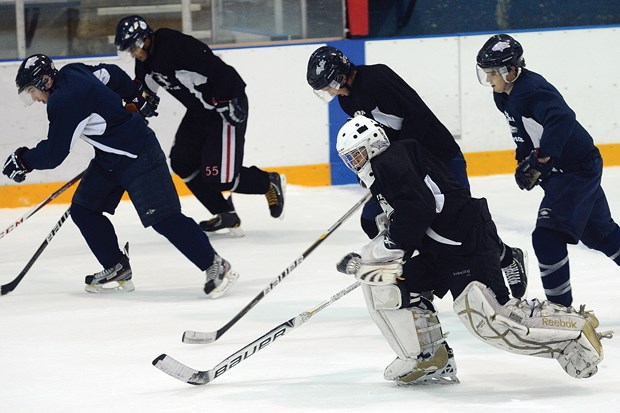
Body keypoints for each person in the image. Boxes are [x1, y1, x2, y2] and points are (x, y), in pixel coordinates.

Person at [334, 115, 609, 385]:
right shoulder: (392, 164)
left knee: (494, 319)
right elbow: (410, 210)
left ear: (373, 144)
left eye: (356, 154)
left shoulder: (389, 160)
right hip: (442, 248)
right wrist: (383, 245)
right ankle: (428, 357)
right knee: (396, 288)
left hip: (464, 242)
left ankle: (575, 330)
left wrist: (391, 247)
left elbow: (419, 208)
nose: (354, 163)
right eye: (350, 158)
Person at [2, 54, 239, 298]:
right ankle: (116, 267)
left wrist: (23, 160)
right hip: (111, 159)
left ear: (45, 81)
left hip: (138, 154)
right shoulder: (74, 71)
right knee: (84, 210)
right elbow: (111, 73)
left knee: (164, 219)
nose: (34, 99)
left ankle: (214, 264)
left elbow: (54, 153)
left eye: (32, 91)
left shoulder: (63, 101)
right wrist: (135, 97)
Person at [306, 45, 528, 298]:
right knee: (374, 219)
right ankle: (422, 279)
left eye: (327, 85)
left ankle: (508, 258)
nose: (328, 92)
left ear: (338, 74)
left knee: (465, 224)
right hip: (408, 168)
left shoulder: (376, 78)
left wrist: (396, 170)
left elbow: (412, 119)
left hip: (440, 158)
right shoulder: (347, 101)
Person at [476, 34, 620, 307]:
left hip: (574, 171)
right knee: (601, 235)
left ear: (511, 71)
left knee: (546, 237)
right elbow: (523, 131)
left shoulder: (530, 91)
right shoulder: (504, 95)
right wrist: (524, 159)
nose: (488, 79)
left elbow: (562, 118)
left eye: (493, 72)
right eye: (485, 72)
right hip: (566, 171)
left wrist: (543, 158)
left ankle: (561, 310)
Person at [113, 15, 285, 237]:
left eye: (133, 47)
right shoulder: (145, 59)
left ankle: (267, 182)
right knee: (182, 163)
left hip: (225, 107)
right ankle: (225, 214)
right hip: (199, 112)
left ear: (145, 38)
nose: (133, 53)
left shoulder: (174, 45)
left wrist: (227, 100)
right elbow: (144, 89)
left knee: (222, 179)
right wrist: (135, 114)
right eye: (129, 50)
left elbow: (218, 69)